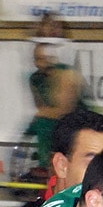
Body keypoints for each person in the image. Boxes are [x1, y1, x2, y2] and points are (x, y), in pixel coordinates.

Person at [24, 37, 83, 172]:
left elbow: (65, 110)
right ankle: (45, 163)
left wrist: (42, 114)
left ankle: (47, 164)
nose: (37, 63)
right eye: (36, 59)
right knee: (37, 124)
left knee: (43, 122)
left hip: (77, 116)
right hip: (53, 118)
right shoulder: (35, 79)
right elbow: (41, 107)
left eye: (41, 59)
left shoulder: (66, 74)